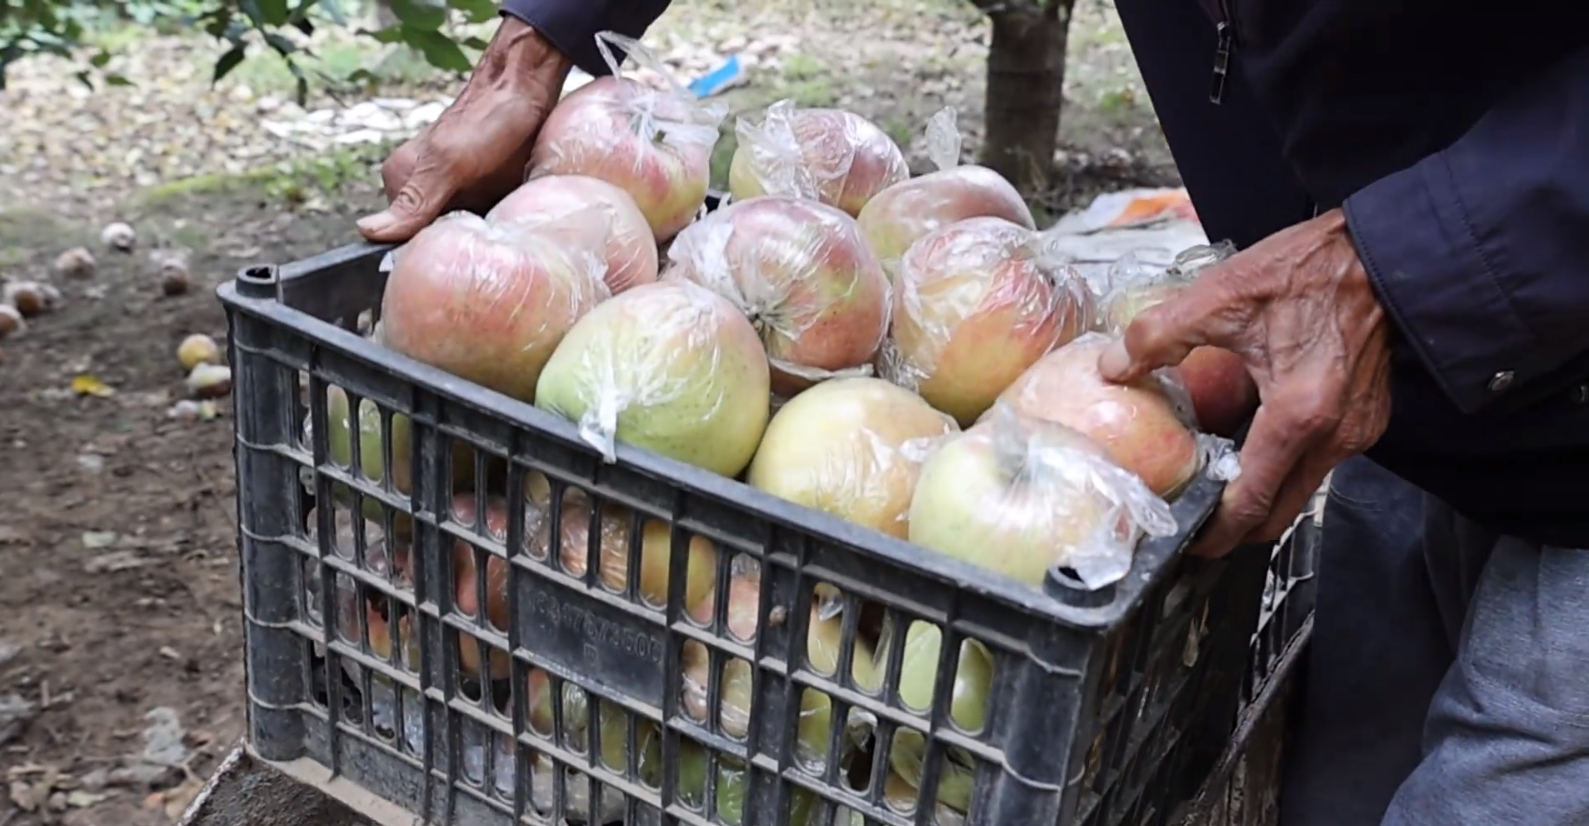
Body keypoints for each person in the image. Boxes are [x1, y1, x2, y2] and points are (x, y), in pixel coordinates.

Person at [360, 2, 1589, 824]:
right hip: (1379, 386)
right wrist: (542, 41)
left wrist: (1391, 264)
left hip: (1512, 355)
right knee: (1336, 783)